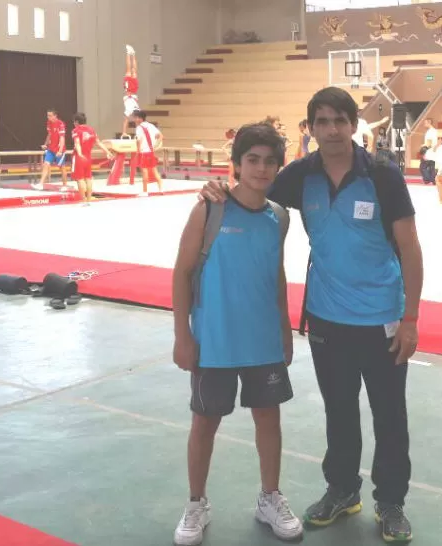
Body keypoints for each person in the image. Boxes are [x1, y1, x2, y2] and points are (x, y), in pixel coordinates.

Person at [199, 86, 423, 543]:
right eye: (322, 121)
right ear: (311, 128)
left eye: (340, 120)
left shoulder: (382, 175)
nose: (332, 130)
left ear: (354, 123)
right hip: (325, 320)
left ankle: (391, 502)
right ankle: (342, 490)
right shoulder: (301, 175)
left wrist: (412, 318)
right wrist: (218, 187)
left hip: (383, 319)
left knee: (389, 415)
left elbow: (410, 247)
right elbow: (252, 190)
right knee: (339, 412)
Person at [171, 123, 301, 546]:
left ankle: (269, 498)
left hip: (262, 340)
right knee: (205, 422)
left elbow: (276, 277)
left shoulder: (279, 218)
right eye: (253, 160)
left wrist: (284, 329)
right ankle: (196, 503)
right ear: (237, 165)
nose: (262, 169)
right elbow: (182, 273)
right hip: (215, 340)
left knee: (269, 418)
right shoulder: (210, 210)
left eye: (269, 162)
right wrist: (182, 336)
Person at [71, 113, 113, 205]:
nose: (74, 124)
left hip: (79, 157)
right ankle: (89, 200)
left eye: (74, 122)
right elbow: (99, 143)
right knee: (88, 178)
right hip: (88, 157)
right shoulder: (91, 130)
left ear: (77, 122)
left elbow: (77, 143)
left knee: (80, 179)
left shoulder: (76, 130)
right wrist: (107, 152)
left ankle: (83, 200)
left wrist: (79, 153)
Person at [33, 109, 68, 191]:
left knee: (62, 167)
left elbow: (62, 138)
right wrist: (45, 144)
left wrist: (60, 150)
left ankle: (65, 185)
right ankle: (41, 184)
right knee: (46, 164)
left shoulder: (61, 124)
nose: (48, 117)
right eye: (47, 115)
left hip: (59, 149)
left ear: (55, 115)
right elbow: (49, 134)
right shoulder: (49, 123)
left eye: (50, 115)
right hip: (51, 149)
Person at [130, 110, 164, 193]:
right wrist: (156, 145)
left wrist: (137, 151)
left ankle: (145, 191)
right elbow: (161, 136)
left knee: (144, 172)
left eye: (135, 118)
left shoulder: (139, 128)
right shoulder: (151, 125)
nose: (134, 120)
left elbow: (139, 140)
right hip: (151, 151)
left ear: (139, 118)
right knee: (154, 170)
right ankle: (161, 189)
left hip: (144, 152)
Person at [122, 45, 140, 137]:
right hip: (132, 95)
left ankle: (129, 53)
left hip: (130, 96)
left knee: (130, 70)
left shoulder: (130, 111)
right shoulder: (134, 111)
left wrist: (124, 132)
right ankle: (132, 54)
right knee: (133, 70)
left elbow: (126, 120)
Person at [419, 118, 437, 185]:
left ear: (429, 123)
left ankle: (427, 179)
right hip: (433, 151)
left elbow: (429, 143)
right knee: (431, 166)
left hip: (428, 151)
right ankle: (433, 180)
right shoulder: (435, 131)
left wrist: (423, 146)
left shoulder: (430, 132)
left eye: (425, 123)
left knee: (422, 167)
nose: (424, 124)